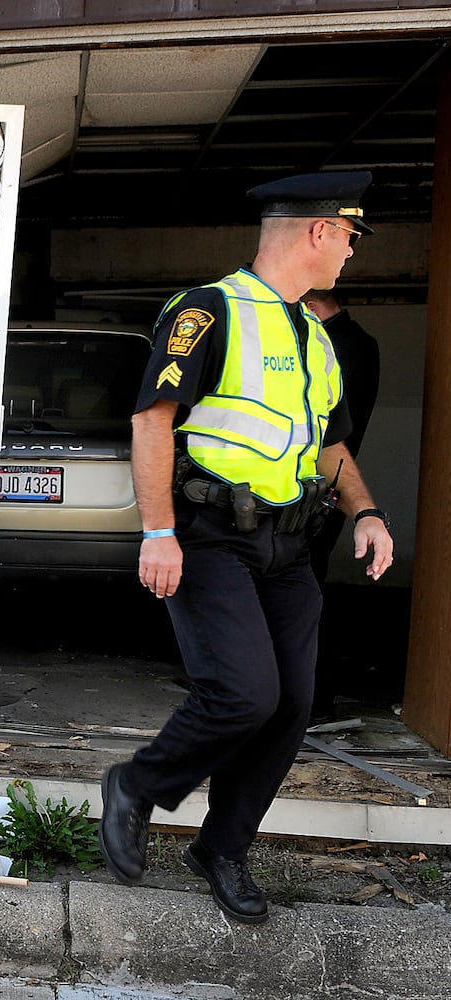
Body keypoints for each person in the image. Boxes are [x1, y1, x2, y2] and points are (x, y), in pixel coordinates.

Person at [100, 172, 394, 924]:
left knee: (291, 704)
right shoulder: (208, 311)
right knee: (242, 692)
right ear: (319, 232)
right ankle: (137, 785)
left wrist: (366, 513)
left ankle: (222, 847)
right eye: (351, 238)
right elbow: (151, 423)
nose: (352, 256)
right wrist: (158, 531)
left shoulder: (317, 338)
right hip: (210, 534)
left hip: (290, 547)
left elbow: (330, 444)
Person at [300, 287, 381, 722]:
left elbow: (323, 429)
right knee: (308, 587)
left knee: (302, 592)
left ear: (311, 306)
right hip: (334, 486)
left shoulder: (332, 345)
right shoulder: (362, 343)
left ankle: (311, 698)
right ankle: (309, 696)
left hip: (319, 487)